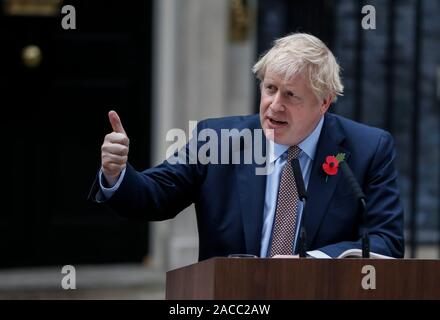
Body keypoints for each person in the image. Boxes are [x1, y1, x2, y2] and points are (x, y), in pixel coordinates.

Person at [89, 33, 404, 260]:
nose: (274, 106)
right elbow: (153, 197)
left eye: (291, 95)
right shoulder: (217, 139)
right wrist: (117, 173)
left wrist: (313, 263)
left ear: (324, 102)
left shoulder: (367, 149)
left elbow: (386, 242)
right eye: (270, 89)